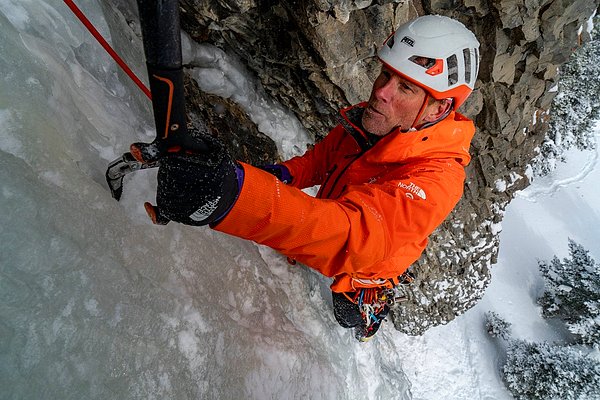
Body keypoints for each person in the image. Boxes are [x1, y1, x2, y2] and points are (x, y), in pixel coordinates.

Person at [145, 15, 480, 341]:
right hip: (335, 220)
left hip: (368, 266)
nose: (381, 92)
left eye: (405, 87)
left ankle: (370, 311)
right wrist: (283, 174)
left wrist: (234, 195)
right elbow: (322, 159)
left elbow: (351, 236)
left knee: (347, 314)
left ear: (438, 110)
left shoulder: (438, 179)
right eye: (385, 75)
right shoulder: (378, 121)